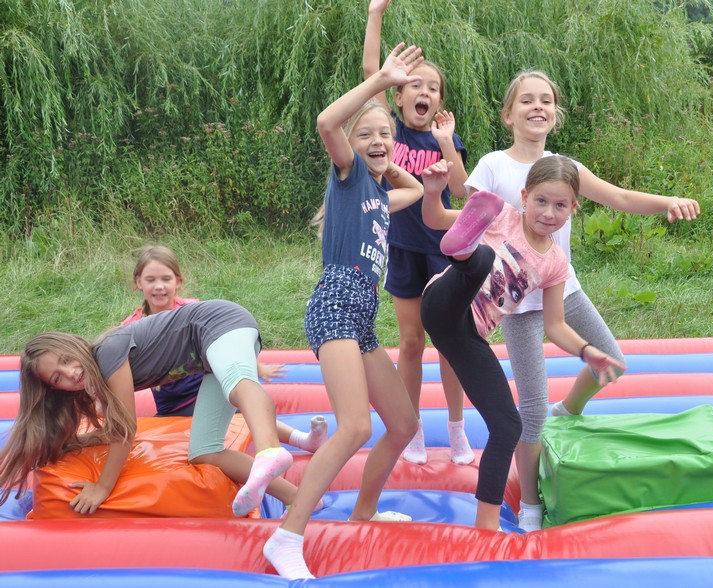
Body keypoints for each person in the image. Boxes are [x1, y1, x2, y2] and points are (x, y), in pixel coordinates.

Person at [464, 70, 701, 531]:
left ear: (555, 113)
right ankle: (530, 503)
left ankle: (569, 409)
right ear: (508, 114)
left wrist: (668, 200)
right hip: (518, 304)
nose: (537, 106)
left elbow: (621, 197)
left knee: (612, 360)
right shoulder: (493, 165)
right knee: (531, 410)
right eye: (526, 100)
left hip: (563, 288)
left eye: (546, 100)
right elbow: (470, 223)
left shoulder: (565, 167)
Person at [259, 42, 426, 580]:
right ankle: (287, 536)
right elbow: (326, 121)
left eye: (386, 135)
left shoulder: (377, 198)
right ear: (349, 148)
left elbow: (415, 189)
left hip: (362, 318)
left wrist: (388, 162)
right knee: (354, 426)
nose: (378, 142)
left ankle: (364, 511)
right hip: (334, 304)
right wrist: (379, 85)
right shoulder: (349, 178)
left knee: (403, 423)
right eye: (366, 136)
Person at [420, 155, 627, 531]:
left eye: (560, 205)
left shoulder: (555, 263)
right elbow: (434, 220)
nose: (548, 213)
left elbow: (555, 325)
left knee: (508, 426)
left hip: (466, 334)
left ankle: (485, 527)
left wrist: (586, 350)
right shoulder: (502, 216)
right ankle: (462, 252)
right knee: (482, 258)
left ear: (573, 209)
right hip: (442, 301)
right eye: (541, 201)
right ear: (524, 197)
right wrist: (433, 193)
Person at [0, 300, 307, 525]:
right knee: (206, 452)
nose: (71, 373)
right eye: (58, 378)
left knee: (236, 384)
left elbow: (125, 428)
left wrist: (103, 487)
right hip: (209, 358)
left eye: (67, 360)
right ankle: (298, 499)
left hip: (220, 323)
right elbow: (110, 427)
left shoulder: (107, 352)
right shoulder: (96, 381)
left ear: (74, 345)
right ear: (54, 389)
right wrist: (83, 440)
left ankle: (269, 449)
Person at [363, 0, 473, 465]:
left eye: (433, 88)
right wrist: (375, 15)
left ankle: (456, 427)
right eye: (414, 85)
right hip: (404, 250)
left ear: (438, 104)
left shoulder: (445, 140)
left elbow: (461, 191)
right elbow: (371, 72)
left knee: (449, 343)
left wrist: (447, 145)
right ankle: (412, 429)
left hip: (444, 251)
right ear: (399, 98)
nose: (423, 92)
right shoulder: (390, 133)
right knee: (411, 343)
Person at [122, 245, 326, 453]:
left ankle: (302, 440)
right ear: (139, 282)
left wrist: (256, 367)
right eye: (151, 280)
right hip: (171, 405)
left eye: (166, 279)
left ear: (178, 281)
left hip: (206, 386)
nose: (159, 286)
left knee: (243, 411)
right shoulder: (133, 327)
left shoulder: (192, 310)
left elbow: (224, 341)